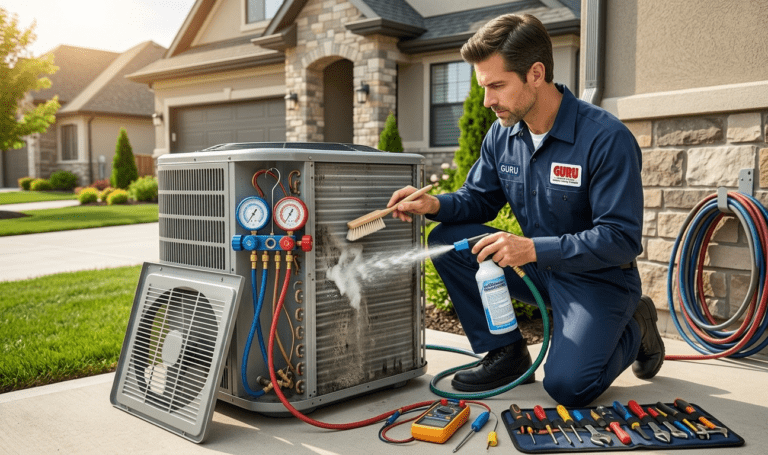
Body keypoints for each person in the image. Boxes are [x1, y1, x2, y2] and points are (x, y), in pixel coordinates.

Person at [386, 13, 664, 407]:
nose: (487, 101)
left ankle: (637, 324)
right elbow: (478, 200)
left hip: (598, 280)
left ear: (536, 73)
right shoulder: (503, 134)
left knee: (569, 387)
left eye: (497, 85)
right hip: (540, 271)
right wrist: (433, 203)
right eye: (484, 87)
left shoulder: (604, 139)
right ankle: (507, 355)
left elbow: (621, 239)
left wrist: (532, 249)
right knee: (449, 242)